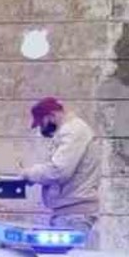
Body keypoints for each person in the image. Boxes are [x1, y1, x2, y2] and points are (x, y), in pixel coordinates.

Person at [17, 97, 100, 243]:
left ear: (51, 116)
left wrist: (29, 173)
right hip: (70, 213)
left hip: (74, 215)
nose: (41, 128)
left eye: (41, 122)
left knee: (70, 256)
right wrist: (37, 178)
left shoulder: (72, 131)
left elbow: (59, 171)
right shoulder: (71, 131)